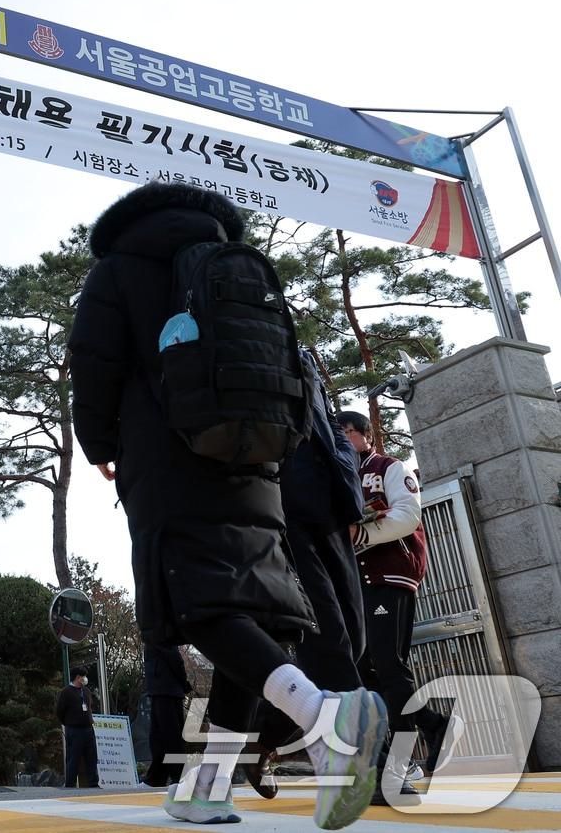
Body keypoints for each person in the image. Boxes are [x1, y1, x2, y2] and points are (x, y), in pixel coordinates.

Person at [69, 181, 387, 828]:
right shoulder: (235, 263)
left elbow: (93, 362)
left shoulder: (118, 269)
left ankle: (325, 717)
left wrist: (101, 443)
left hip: (164, 454)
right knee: (258, 607)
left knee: (200, 601)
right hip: (258, 455)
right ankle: (208, 784)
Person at [246, 349, 367, 799]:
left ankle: (263, 740)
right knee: (329, 638)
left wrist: (349, 493)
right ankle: (366, 763)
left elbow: (330, 424)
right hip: (284, 514)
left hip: (332, 512)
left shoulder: (303, 356)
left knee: (353, 641)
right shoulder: (240, 353)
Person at [338, 411, 454, 802]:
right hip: (357, 585)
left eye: (347, 434)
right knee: (367, 671)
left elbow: (407, 516)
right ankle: (426, 731)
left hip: (391, 577)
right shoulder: (341, 476)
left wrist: (360, 535)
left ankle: (408, 754)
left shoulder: (390, 467)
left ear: (365, 435)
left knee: (388, 666)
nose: (342, 441)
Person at [142, 645, 191, 788]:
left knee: (171, 737)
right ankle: (156, 778)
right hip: (158, 691)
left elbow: (175, 660)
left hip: (168, 691)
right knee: (158, 739)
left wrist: (184, 683)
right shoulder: (152, 635)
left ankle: (181, 779)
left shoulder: (160, 633)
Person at [54, 667, 99, 789]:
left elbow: (89, 706)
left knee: (92, 757)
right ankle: (70, 784)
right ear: (77, 677)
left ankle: (93, 783)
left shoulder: (86, 691)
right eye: (83, 676)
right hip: (74, 729)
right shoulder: (66, 692)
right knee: (74, 758)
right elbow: (59, 711)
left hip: (88, 728)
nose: (85, 679)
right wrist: (68, 723)